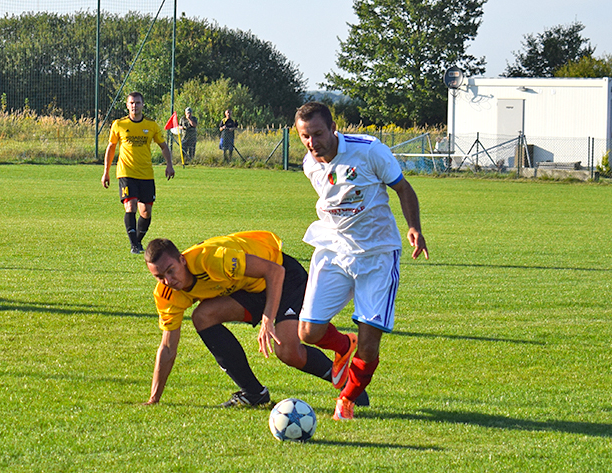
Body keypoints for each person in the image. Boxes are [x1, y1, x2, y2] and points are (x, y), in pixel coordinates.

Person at [294, 101, 428, 421]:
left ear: (333, 128)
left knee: (369, 347)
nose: (312, 142)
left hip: (377, 255)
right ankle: (343, 345)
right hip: (334, 249)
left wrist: (414, 228)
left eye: (317, 133)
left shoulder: (370, 151)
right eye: (304, 136)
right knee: (308, 333)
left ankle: (347, 399)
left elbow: (403, 188)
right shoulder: (309, 164)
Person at [142, 230, 369, 407]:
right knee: (203, 316)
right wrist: (154, 398)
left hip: (283, 275)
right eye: (159, 276)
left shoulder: (213, 259)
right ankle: (254, 393)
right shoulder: (166, 295)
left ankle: (349, 382)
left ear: (182, 260)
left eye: (170, 270)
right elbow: (168, 347)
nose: (167, 280)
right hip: (248, 289)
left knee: (287, 351)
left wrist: (268, 319)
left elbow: (274, 272)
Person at [102, 92, 175, 254]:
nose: (135, 106)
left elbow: (163, 146)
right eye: (132, 103)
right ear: (127, 105)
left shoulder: (151, 125)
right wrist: (105, 172)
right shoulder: (119, 124)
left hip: (146, 174)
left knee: (146, 212)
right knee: (130, 206)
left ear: (143, 105)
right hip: (126, 172)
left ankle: (137, 242)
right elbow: (111, 147)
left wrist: (169, 165)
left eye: (138, 103)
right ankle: (134, 245)